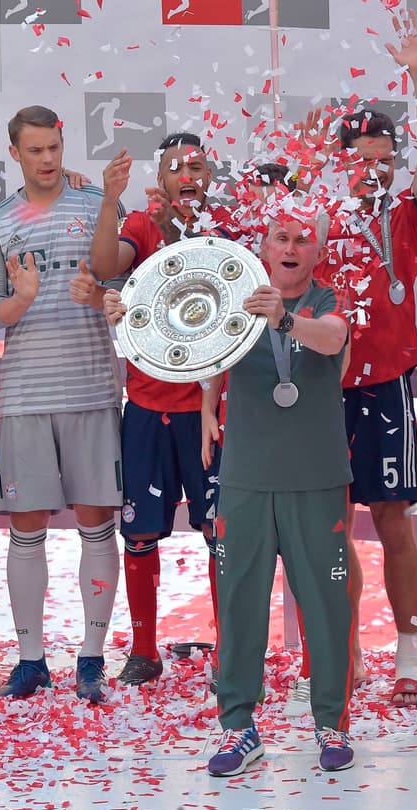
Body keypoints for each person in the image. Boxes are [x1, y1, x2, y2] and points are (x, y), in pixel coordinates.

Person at [307, 7, 417, 708]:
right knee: (335, 521)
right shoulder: (315, 224)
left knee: (393, 519)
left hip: (387, 385)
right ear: (339, 165)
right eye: (360, 161)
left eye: (383, 160)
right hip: (325, 389)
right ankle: (347, 646)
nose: (374, 171)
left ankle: (411, 653)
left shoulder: (405, 216)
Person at [184, 211, 352, 775]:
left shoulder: (330, 302)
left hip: (315, 476)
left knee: (325, 608)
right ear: (263, 245)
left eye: (303, 239)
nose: (291, 247)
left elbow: (333, 341)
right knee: (239, 606)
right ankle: (238, 728)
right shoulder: (236, 300)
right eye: (281, 237)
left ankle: (330, 724)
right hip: (247, 476)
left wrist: (284, 320)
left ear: (318, 253)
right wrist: (208, 402)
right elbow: (197, 346)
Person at [0, 106, 122, 702]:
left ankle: (91, 657)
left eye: (54, 146)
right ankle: (31, 658)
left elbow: (121, 284)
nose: (47, 159)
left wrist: (103, 296)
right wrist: (21, 300)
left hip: (91, 388)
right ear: (15, 153)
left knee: (96, 521)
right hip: (27, 393)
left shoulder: (94, 206)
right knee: (27, 527)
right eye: (34, 149)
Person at [85, 133, 232, 689]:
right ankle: (144, 650)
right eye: (177, 167)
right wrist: (108, 199)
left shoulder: (225, 232)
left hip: (210, 409)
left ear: (210, 178)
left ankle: (229, 648)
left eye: (197, 166)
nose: (188, 176)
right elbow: (104, 264)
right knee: (140, 533)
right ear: (163, 180)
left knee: (222, 532)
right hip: (147, 408)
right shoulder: (143, 227)